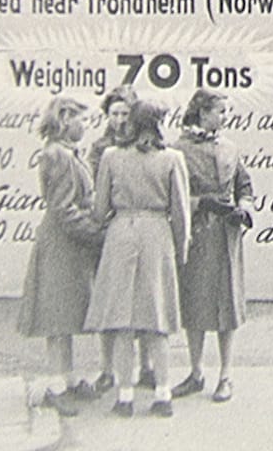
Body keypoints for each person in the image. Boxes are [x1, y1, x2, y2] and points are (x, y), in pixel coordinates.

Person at [84, 99, 191, 418]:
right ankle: (162, 394)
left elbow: (100, 209)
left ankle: (125, 396)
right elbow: (181, 213)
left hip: (121, 235)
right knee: (157, 319)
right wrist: (180, 249)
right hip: (157, 236)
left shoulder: (111, 157)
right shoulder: (172, 158)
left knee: (121, 320)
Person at [17, 95, 102, 417]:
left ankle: (67, 378)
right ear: (65, 118)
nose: (85, 126)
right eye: (82, 119)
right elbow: (64, 209)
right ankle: (56, 387)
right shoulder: (57, 155)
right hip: (61, 246)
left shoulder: (66, 152)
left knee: (66, 316)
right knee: (57, 319)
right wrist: (96, 235)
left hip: (69, 246)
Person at [170, 90, 255, 404]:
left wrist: (244, 209)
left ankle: (226, 375)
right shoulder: (178, 150)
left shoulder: (230, 147)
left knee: (226, 303)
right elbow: (172, 197)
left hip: (226, 235)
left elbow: (244, 185)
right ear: (202, 112)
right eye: (220, 111)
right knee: (195, 302)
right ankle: (195, 372)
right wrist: (200, 202)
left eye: (226, 111)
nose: (225, 117)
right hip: (197, 234)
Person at [87, 85, 156, 394]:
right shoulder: (101, 148)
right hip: (110, 231)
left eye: (125, 114)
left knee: (142, 298)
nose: (119, 120)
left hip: (136, 230)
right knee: (110, 302)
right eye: (114, 113)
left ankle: (146, 366)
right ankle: (107, 368)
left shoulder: (145, 146)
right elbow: (95, 190)